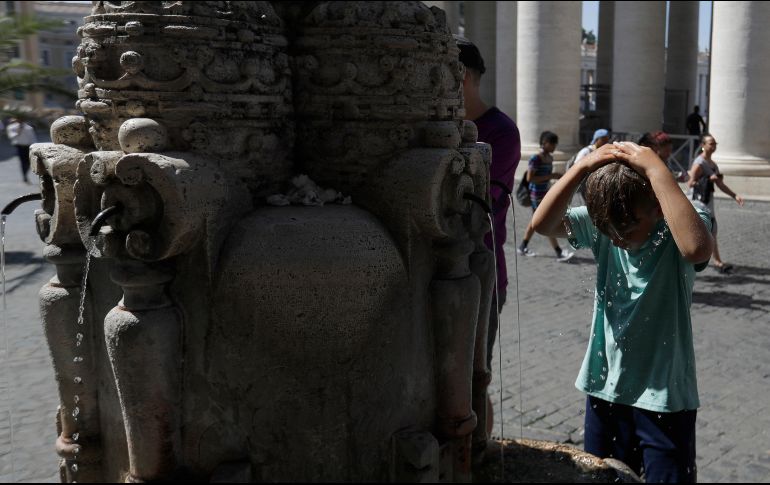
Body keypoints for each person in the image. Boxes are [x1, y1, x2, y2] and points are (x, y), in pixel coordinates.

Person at [530, 140, 714, 482]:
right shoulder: (610, 221)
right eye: (607, 229)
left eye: (626, 229)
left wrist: (656, 169)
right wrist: (582, 168)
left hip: (664, 398)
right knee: (601, 477)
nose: (615, 237)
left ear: (658, 207)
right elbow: (543, 224)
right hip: (604, 387)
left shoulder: (676, 226)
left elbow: (697, 248)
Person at [456, 36, 521, 435]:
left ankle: (480, 458)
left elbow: (480, 205)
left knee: (472, 379)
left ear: (460, 76)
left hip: (480, 273)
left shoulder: (501, 132)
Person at [687, 133, 744, 273]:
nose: (713, 146)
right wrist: (707, 178)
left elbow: (720, 184)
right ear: (703, 146)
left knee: (711, 230)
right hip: (698, 201)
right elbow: (690, 183)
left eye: (714, 144)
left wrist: (734, 195)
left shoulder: (713, 164)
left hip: (708, 200)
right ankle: (712, 261)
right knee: (708, 229)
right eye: (710, 143)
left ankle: (715, 260)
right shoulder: (699, 163)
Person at [517, 130, 574, 262]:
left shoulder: (549, 158)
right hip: (536, 195)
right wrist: (552, 176)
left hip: (544, 193)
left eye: (555, 144)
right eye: (552, 143)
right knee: (546, 221)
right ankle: (559, 252)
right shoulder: (536, 158)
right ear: (545, 143)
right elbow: (530, 178)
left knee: (534, 221)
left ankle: (523, 246)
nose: (554, 146)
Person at [567, 128, 610, 202]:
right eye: (604, 139)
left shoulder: (602, 151)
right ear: (597, 139)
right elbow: (576, 166)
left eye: (607, 139)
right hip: (583, 185)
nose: (606, 142)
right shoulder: (586, 151)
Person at [6, 117, 38, 184]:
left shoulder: (28, 128)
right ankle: (24, 176)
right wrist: (19, 129)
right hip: (19, 147)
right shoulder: (11, 127)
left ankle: (25, 174)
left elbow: (32, 138)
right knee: (23, 162)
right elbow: (11, 136)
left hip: (28, 147)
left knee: (29, 162)